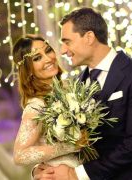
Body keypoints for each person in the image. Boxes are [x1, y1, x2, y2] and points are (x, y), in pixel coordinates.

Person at [34, 7, 132, 180]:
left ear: (89, 37)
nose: (62, 50)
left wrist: (77, 174)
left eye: (67, 41)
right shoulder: (77, 83)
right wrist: (43, 170)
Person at [12, 35, 81, 170]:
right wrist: (70, 146)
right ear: (28, 69)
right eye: (37, 58)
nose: (48, 58)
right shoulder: (37, 106)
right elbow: (19, 155)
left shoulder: (69, 88)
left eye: (48, 50)